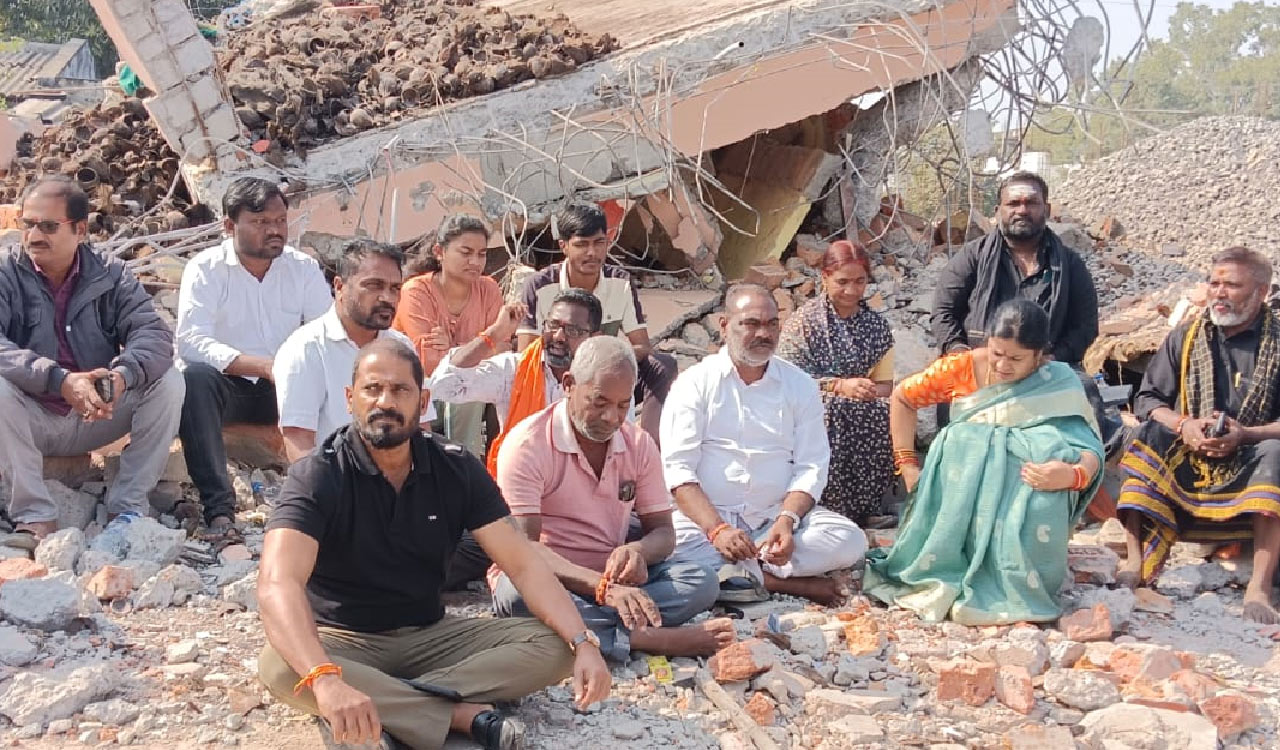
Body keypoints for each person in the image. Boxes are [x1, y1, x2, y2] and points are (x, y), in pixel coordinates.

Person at [257, 339, 611, 750]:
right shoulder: (319, 474)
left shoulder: (455, 466)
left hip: (431, 635)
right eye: (372, 389)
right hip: (344, 639)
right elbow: (277, 583)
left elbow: (523, 564)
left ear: (423, 400)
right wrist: (324, 674)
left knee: (556, 646)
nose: (385, 401)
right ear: (351, 399)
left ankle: (382, 708)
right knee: (280, 665)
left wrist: (583, 643)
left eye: (400, 390)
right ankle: (458, 715)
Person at [492, 336, 734, 661]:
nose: (612, 418)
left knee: (701, 581)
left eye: (623, 405)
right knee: (514, 594)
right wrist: (603, 589)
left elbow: (663, 532)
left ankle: (596, 631)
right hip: (552, 578)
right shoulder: (527, 446)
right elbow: (523, 551)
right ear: (568, 384)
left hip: (611, 577)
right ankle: (648, 639)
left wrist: (637, 551)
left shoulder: (637, 444)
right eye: (599, 402)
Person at [864, 299, 1103, 625]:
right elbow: (903, 397)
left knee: (1054, 451)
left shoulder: (1058, 380)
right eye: (997, 353)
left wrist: (1073, 475)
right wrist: (907, 465)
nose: (1003, 366)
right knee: (961, 438)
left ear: (1039, 356)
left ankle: (1019, 579)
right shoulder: (962, 369)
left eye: (1016, 358)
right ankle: (951, 566)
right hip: (962, 492)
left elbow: (1088, 446)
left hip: (1027, 491)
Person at [0, 177, 184, 547]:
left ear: (80, 230)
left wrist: (120, 377)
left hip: (98, 414)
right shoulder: (6, 273)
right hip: (30, 416)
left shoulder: (110, 274)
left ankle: (127, 509)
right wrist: (59, 380)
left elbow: (154, 333)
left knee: (169, 383)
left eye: (48, 226)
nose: (34, 235)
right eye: (28, 224)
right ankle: (34, 518)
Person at [661, 284, 865, 605]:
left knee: (849, 540)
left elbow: (811, 466)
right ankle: (784, 582)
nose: (763, 333)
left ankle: (745, 575)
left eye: (771, 324)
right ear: (725, 326)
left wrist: (787, 521)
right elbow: (677, 472)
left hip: (772, 520)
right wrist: (718, 531)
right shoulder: (693, 384)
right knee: (666, 548)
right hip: (707, 524)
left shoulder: (799, 385)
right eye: (751, 324)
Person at [1116, 247, 1280, 624]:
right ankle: (1136, 561)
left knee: (1274, 453)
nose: (1219, 292)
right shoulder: (1186, 336)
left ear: (1261, 292)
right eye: (1214, 282)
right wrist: (1184, 425)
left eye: (1232, 285)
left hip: (1251, 453)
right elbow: (1147, 398)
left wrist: (1246, 434)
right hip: (1190, 451)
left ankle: (1259, 587)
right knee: (1142, 439)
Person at [176, 177, 331, 536]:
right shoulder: (205, 268)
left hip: (288, 388)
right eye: (261, 223)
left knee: (338, 371)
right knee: (193, 379)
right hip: (232, 388)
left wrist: (292, 368)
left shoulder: (302, 268)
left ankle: (330, 497)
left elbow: (326, 331)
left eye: (280, 221)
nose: (274, 231)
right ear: (229, 226)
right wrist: (260, 366)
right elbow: (191, 341)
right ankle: (219, 510)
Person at [516, 202, 675, 442]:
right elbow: (526, 352)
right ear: (564, 246)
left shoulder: (620, 282)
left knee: (662, 365)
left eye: (599, 243)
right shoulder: (539, 286)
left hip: (605, 376)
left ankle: (647, 447)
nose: (592, 253)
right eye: (581, 244)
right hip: (555, 371)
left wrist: (605, 355)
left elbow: (642, 346)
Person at [429, 288, 631, 476]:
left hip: (581, 488)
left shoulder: (606, 382)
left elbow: (624, 441)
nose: (559, 337)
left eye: (573, 331)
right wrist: (495, 333)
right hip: (517, 483)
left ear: (594, 337)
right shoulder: (514, 369)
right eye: (553, 325)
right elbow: (445, 386)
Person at [777, 240, 895, 524]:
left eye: (860, 281)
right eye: (842, 281)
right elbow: (786, 378)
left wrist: (865, 390)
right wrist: (838, 386)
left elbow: (886, 385)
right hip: (808, 401)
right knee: (831, 410)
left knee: (881, 411)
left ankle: (868, 510)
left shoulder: (875, 327)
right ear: (825, 278)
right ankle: (824, 508)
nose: (851, 290)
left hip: (860, 405)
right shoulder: (804, 323)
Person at [932, 172, 1097, 366]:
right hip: (979, 366)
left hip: (1046, 370)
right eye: (1013, 203)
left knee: (1087, 393)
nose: (1022, 210)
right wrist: (959, 352)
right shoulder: (972, 257)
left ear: (1047, 209)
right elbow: (943, 312)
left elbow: (1085, 326)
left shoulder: (1069, 264)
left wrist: (1051, 359)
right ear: (997, 211)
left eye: (1032, 203)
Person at [274, 239, 413, 463]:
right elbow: (298, 441)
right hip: (337, 483)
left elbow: (420, 427)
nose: (387, 298)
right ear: (339, 287)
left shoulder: (402, 347)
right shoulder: (306, 348)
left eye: (394, 288)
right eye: (374, 285)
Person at [392, 216, 502, 457]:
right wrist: (478, 349)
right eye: (466, 252)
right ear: (439, 252)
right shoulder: (416, 291)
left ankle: (501, 465)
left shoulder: (489, 289)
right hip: (424, 396)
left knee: (494, 384)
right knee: (468, 386)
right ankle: (463, 466)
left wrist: (452, 347)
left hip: (476, 394)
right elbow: (429, 362)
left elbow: (501, 353)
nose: (475, 261)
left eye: (482, 254)